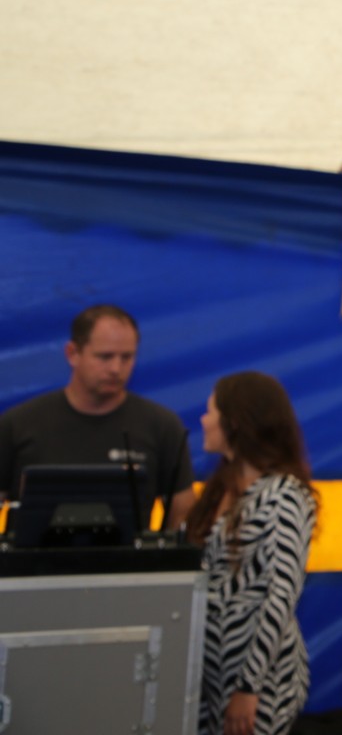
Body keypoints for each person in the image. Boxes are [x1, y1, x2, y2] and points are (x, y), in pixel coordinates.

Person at [187, 371, 317, 735]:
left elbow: (282, 594)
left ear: (235, 422)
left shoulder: (284, 495)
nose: (203, 420)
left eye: (211, 411)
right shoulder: (223, 487)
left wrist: (248, 687)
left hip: (258, 682)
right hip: (212, 678)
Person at [0, 304, 195, 527]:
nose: (116, 368)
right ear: (72, 353)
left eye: (127, 357)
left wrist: (164, 548)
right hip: (33, 550)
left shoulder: (162, 426)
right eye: (105, 356)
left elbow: (182, 515)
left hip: (129, 550)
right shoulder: (18, 424)